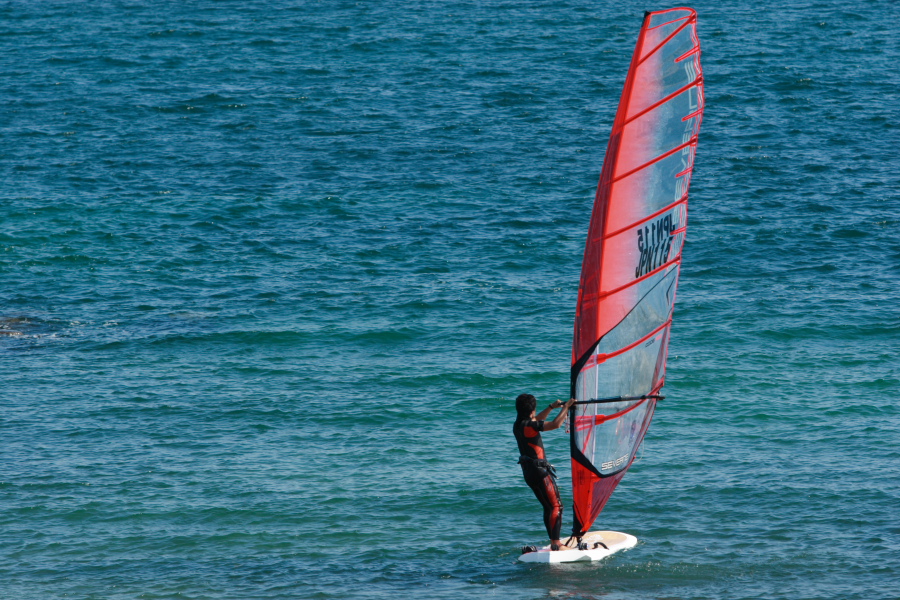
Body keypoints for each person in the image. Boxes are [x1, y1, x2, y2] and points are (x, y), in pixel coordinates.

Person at [513, 393, 577, 551]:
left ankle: (554, 541)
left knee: (548, 507)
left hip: (528, 472)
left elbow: (536, 420)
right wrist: (566, 407)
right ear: (532, 410)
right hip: (540, 472)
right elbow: (555, 424)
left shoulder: (518, 424)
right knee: (556, 506)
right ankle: (556, 544)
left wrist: (550, 407)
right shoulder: (530, 425)